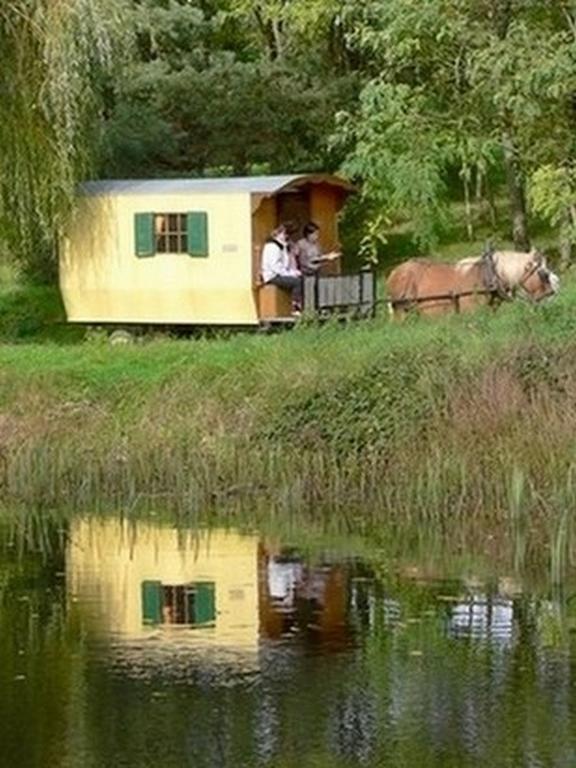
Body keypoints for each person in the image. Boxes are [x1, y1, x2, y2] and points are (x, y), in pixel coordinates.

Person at [261, 223, 303, 311]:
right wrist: (290, 274)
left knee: (300, 278)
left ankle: (297, 305)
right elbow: (275, 267)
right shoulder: (272, 247)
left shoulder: (281, 246)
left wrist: (292, 272)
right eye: (285, 234)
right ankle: (296, 307)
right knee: (297, 282)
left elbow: (285, 263)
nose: (287, 237)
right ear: (279, 234)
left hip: (278, 274)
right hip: (272, 276)